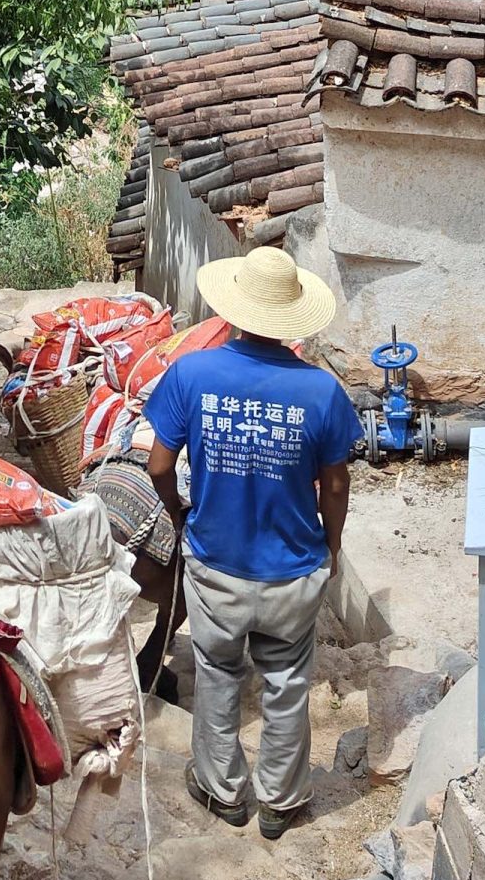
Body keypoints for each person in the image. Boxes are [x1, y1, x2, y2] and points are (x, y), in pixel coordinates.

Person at [145, 245, 359, 840]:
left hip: (216, 563)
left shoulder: (192, 374)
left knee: (217, 672)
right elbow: (335, 484)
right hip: (293, 567)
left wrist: (179, 513)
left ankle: (224, 792)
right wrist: (331, 544)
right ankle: (281, 803)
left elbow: (161, 464)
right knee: (288, 681)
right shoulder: (322, 392)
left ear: (234, 308)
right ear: (292, 317)